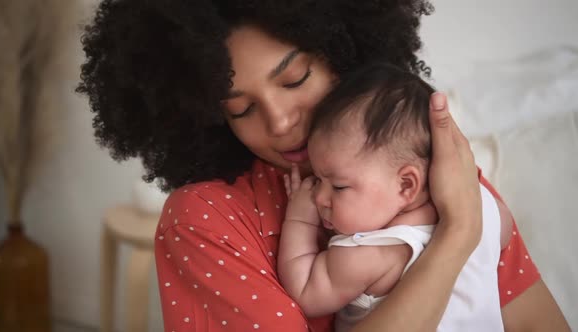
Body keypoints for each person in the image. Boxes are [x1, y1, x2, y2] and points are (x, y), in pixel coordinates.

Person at [76, 0, 569, 331]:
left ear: (341, 50)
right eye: (240, 109)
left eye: (295, 78)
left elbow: (536, 319)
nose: (281, 120)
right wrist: (458, 232)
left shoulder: (424, 167)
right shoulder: (205, 220)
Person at [278, 62, 512, 332]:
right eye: (318, 180)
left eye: (338, 186)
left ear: (405, 185)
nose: (319, 197)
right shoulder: (479, 206)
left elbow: (305, 291)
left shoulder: (370, 252)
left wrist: (299, 220)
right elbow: (503, 233)